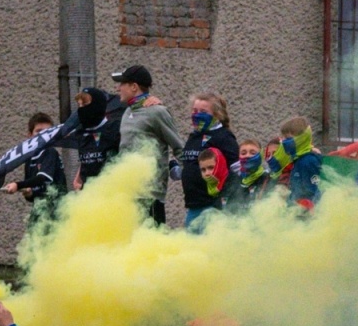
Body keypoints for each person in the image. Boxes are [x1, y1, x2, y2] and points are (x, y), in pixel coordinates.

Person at [113, 64, 183, 224]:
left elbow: (179, 147)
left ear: (134, 87)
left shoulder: (157, 112)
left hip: (149, 194)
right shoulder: (127, 111)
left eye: (122, 84)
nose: (118, 88)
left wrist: (190, 177)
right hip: (127, 192)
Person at [180, 92, 239, 231]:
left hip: (213, 206)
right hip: (194, 205)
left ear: (217, 114)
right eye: (194, 111)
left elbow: (237, 170)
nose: (197, 115)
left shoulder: (224, 136)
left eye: (203, 111)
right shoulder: (194, 136)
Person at [1, 112, 66, 221]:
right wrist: (29, 193)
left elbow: (43, 178)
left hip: (57, 211)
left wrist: (17, 185)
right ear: (30, 135)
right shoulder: (29, 159)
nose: (43, 135)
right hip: (40, 212)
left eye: (47, 131)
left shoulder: (50, 152)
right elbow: (34, 190)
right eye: (39, 131)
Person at [265, 116, 323, 209]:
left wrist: (305, 208)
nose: (283, 142)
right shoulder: (298, 159)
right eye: (283, 138)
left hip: (305, 211)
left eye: (288, 138)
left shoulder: (308, 161)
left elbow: (312, 191)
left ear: (302, 139)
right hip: (296, 207)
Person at [72, 87, 123, 189]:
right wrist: (78, 179)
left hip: (112, 191)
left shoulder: (116, 128)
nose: (81, 109)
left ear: (97, 104)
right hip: (87, 193)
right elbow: (86, 160)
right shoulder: (80, 133)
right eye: (79, 105)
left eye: (85, 104)